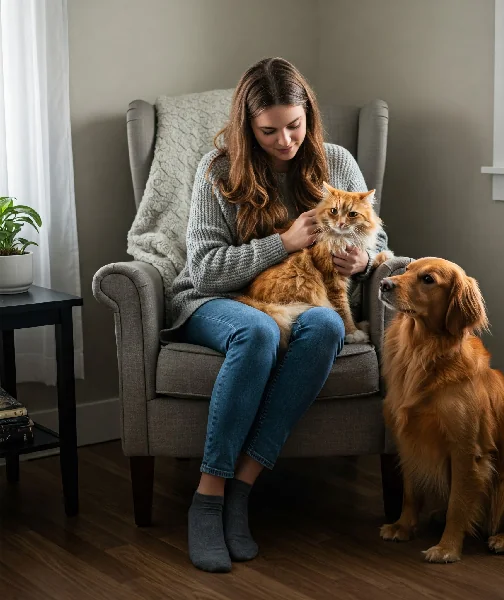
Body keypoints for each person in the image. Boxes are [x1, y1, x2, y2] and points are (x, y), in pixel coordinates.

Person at [169, 57, 389, 573]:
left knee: (328, 326)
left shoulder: (337, 162)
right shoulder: (218, 171)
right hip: (215, 302)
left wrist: (363, 259)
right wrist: (282, 242)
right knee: (259, 332)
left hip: (303, 299)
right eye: (270, 131)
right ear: (248, 126)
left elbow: (377, 241)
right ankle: (208, 497)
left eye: (295, 125)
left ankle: (244, 487)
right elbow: (203, 272)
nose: (286, 140)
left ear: (308, 115)